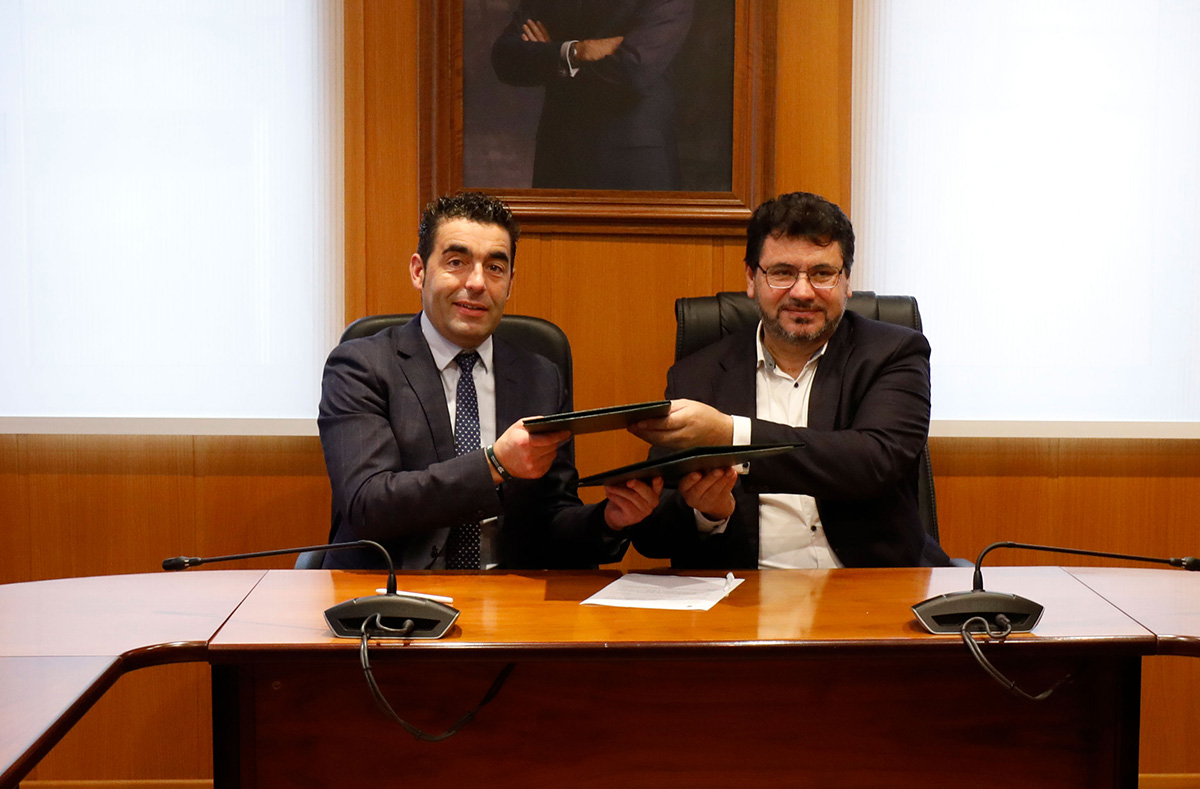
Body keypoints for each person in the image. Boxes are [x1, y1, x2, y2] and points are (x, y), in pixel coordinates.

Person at [318, 192, 660, 570]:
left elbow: (550, 521)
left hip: (505, 595)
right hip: (392, 590)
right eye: (456, 262)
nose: (477, 283)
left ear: (510, 283)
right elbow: (367, 504)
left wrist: (609, 521)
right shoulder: (361, 366)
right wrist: (494, 464)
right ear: (419, 271)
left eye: (495, 268)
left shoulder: (540, 377)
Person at [628, 191, 951, 569]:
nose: (802, 292)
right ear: (752, 278)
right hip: (749, 591)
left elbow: (873, 461)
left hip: (871, 583)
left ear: (846, 281)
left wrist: (732, 435)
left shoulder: (893, 353)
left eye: (822, 274)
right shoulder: (698, 376)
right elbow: (653, 533)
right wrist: (709, 514)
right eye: (782, 272)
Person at [490, 0, 694, 190]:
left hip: (632, 167)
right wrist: (576, 51)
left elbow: (632, 73)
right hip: (558, 160)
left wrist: (552, 58)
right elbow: (505, 57)